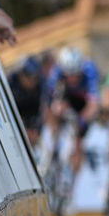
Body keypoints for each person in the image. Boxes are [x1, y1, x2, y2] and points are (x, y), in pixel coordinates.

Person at [44, 46, 100, 199]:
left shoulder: (90, 70)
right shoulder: (57, 71)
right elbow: (49, 98)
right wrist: (55, 113)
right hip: (65, 99)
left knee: (78, 141)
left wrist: (83, 119)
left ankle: (72, 186)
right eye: (70, 74)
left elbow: (93, 103)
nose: (73, 78)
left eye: (76, 74)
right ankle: (50, 151)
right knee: (55, 111)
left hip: (82, 104)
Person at [8, 56, 46, 149]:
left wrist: (35, 128)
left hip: (30, 112)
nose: (32, 82)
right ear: (21, 75)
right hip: (14, 111)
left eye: (35, 78)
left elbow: (41, 109)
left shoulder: (40, 86)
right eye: (29, 77)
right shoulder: (11, 83)